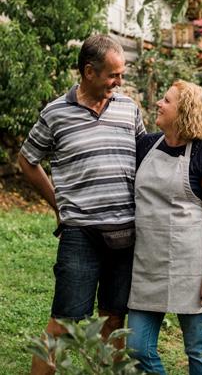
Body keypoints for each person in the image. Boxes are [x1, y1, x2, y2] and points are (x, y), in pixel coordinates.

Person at [18, 34, 145, 375]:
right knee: (64, 322)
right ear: (89, 72)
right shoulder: (56, 113)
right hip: (81, 235)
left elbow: (145, 161)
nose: (119, 82)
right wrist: (57, 203)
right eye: (113, 75)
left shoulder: (128, 109)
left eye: (121, 75)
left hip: (125, 234)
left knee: (115, 319)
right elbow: (27, 160)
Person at [127, 79, 202, 375]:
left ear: (184, 111)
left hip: (192, 266)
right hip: (148, 262)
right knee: (137, 347)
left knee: (198, 348)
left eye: (167, 101)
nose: (159, 104)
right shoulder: (146, 145)